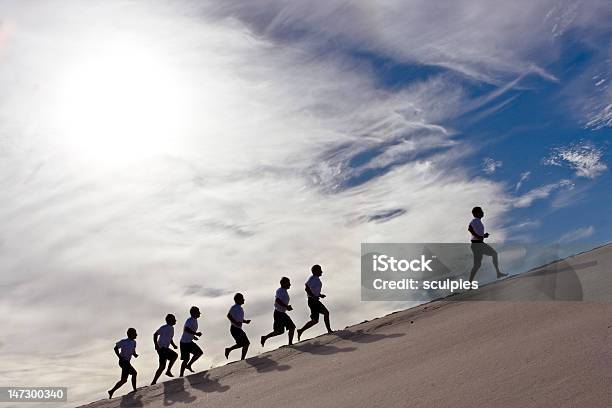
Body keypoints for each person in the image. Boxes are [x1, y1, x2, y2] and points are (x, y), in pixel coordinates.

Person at [468, 206, 507, 283]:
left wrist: (483, 236)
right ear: (477, 213)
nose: (483, 212)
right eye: (481, 211)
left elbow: (475, 233)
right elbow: (469, 229)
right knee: (492, 255)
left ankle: (498, 273)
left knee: (478, 264)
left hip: (478, 244)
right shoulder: (475, 220)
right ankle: (498, 273)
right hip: (477, 245)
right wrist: (480, 236)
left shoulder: (478, 221)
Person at [297, 264, 333, 341]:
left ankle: (300, 330)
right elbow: (306, 288)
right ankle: (301, 330)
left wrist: (319, 295)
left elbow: (313, 289)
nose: (321, 271)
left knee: (320, 317)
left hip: (315, 300)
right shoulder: (312, 279)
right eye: (320, 270)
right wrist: (313, 296)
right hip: (312, 301)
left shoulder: (316, 279)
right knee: (318, 318)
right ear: (316, 271)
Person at [261, 277, 295, 346]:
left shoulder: (284, 291)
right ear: (284, 283)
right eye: (288, 283)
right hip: (279, 314)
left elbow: (280, 301)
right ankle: (265, 337)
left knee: (290, 327)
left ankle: (290, 343)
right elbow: (278, 300)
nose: (290, 284)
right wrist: (286, 306)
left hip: (281, 313)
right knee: (280, 331)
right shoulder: (280, 291)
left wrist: (286, 307)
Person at [108, 328, 139, 399]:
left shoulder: (134, 342)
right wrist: (119, 357)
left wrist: (134, 354)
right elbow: (115, 348)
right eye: (135, 333)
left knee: (124, 380)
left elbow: (133, 350)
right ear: (130, 334)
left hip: (126, 362)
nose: (136, 335)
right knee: (134, 373)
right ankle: (135, 390)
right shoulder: (124, 342)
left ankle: (111, 391)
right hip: (123, 361)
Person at [151, 314, 178, 385]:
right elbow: (155, 334)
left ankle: (154, 381)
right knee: (173, 357)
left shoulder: (171, 328)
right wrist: (156, 344)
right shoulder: (164, 327)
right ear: (169, 320)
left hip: (165, 348)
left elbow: (170, 338)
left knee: (163, 365)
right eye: (173, 319)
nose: (175, 320)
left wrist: (173, 345)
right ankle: (155, 381)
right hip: (161, 348)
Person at [225, 293, 251, 360]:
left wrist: (245, 321)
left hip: (237, 329)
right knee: (246, 343)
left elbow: (239, 319)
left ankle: (229, 350)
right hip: (235, 329)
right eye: (242, 299)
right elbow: (229, 316)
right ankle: (242, 359)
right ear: (238, 300)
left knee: (242, 344)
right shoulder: (234, 307)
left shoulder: (240, 308)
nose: (244, 300)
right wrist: (236, 323)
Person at [179, 306, 203, 377]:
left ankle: (189, 365)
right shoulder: (190, 320)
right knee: (186, 359)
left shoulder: (194, 320)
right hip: (184, 343)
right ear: (194, 313)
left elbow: (188, 330)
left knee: (199, 353)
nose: (199, 313)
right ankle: (181, 375)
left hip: (189, 342)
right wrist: (196, 333)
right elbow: (186, 329)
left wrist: (193, 336)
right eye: (198, 312)